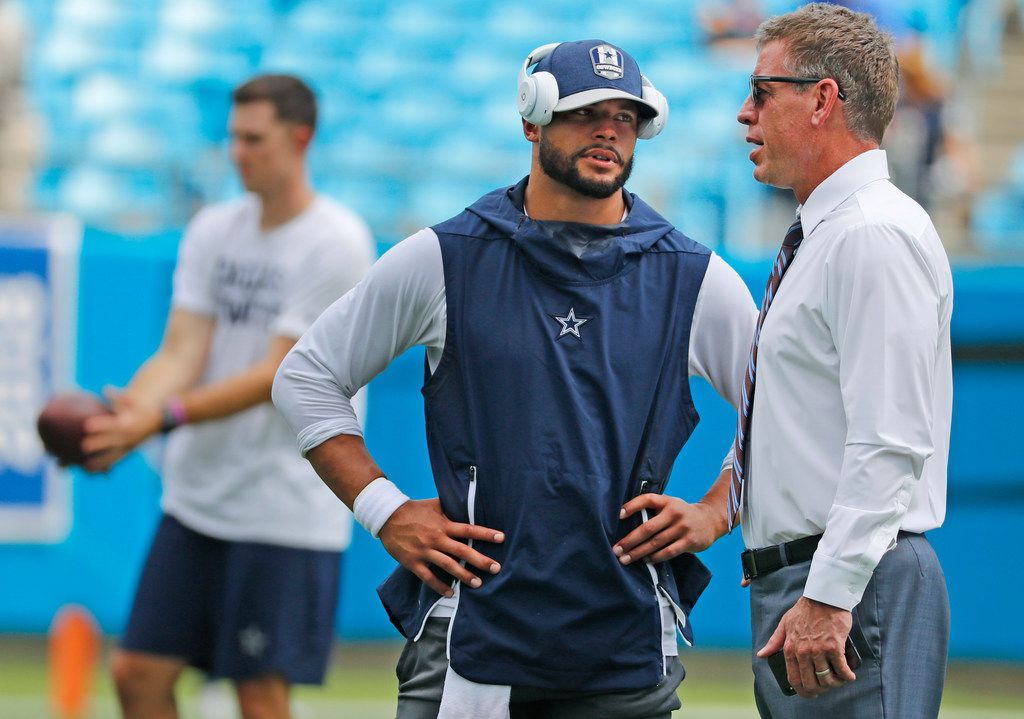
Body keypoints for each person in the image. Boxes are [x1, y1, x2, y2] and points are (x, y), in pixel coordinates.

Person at [272, 40, 757, 719]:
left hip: (627, 646)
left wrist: (715, 509)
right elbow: (305, 377)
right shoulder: (447, 256)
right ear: (532, 119)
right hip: (469, 641)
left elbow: (787, 413)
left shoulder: (693, 276)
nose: (608, 129)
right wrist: (384, 511)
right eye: (586, 111)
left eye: (625, 114)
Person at [681, 4, 952, 717]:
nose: (745, 114)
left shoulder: (870, 234)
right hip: (815, 580)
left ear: (824, 99)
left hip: (848, 588)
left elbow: (889, 438)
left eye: (763, 92)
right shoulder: (832, 230)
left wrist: (828, 592)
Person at [80, 74, 376, 719]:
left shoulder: (335, 241)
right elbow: (183, 348)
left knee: (260, 695)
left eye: (254, 139)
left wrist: (158, 420)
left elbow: (278, 376)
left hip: (283, 505)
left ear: (300, 139)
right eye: (233, 138)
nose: (238, 152)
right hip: (199, 498)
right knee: (138, 673)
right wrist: (126, 416)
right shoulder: (215, 228)